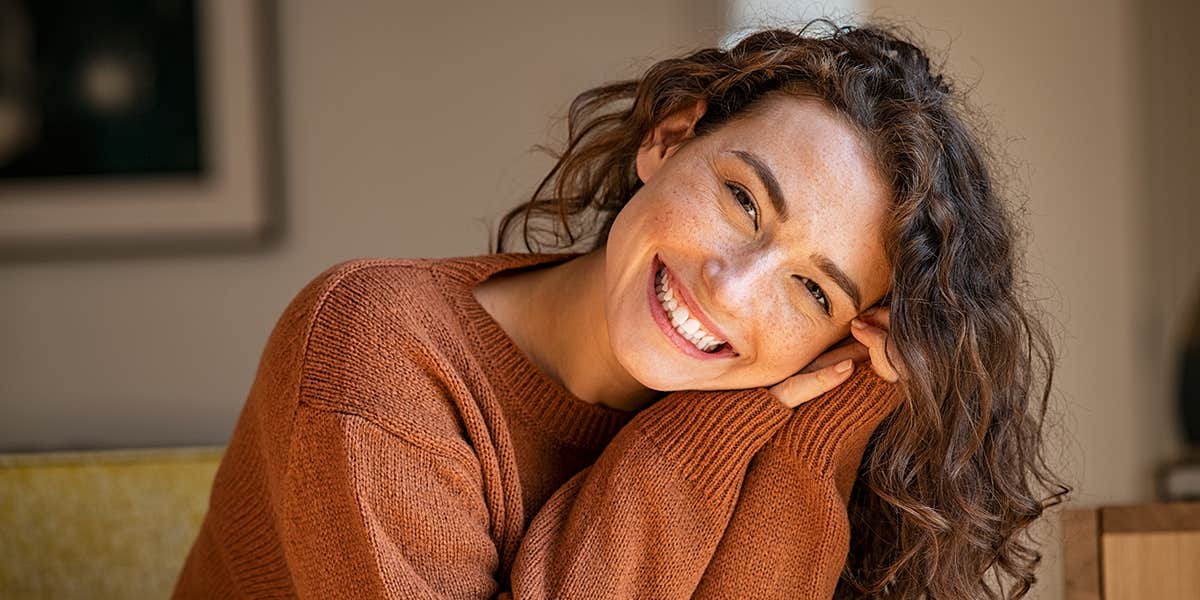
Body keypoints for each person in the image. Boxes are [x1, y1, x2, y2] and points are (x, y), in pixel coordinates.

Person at [174, 18, 1066, 600]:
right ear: (670, 138)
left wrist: (819, 419)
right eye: (744, 201)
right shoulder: (376, 346)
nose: (731, 285)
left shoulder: (777, 419)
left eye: (812, 288)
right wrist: (691, 443)